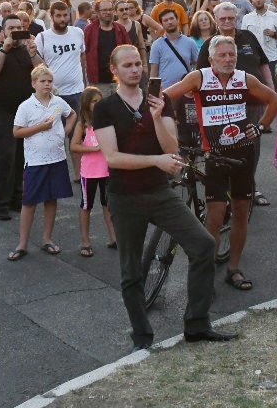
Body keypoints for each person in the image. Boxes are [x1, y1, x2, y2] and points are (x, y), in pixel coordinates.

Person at [94, 45, 235, 350]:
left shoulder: (160, 101)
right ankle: (142, 337)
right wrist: (154, 161)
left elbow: (172, 147)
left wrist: (158, 117)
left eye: (138, 65)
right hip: (125, 197)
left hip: (159, 192)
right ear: (114, 70)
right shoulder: (104, 108)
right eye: (128, 66)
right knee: (131, 271)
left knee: (203, 245)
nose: (135, 70)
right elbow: (112, 158)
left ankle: (197, 325)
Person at [165, 35, 277, 293]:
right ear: (211, 59)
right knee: (215, 217)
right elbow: (165, 97)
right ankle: (206, 275)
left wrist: (260, 127)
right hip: (214, 156)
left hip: (243, 153)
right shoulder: (200, 78)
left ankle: (234, 268)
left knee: (241, 212)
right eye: (223, 56)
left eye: (232, 55)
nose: (228, 60)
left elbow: (276, 100)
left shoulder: (245, 79)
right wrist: (168, 129)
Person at [9, 64, 74, 260]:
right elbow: (17, 132)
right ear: (33, 84)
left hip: (57, 158)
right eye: (42, 81)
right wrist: (38, 128)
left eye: (49, 81)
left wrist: (66, 131)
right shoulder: (26, 106)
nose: (46, 84)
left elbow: (72, 114)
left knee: (51, 198)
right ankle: (22, 243)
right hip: (36, 161)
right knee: (29, 201)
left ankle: (47, 239)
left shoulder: (58, 102)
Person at [0, 15, 41, 219]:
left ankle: (18, 198)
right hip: (1, 112)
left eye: (19, 27)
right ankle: (1, 203)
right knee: (6, 156)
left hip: (26, 112)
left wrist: (33, 53)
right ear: (4, 30)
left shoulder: (27, 50)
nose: (16, 31)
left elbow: (42, 72)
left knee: (22, 157)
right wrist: (4, 48)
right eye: (11, 28)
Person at [70, 87, 115, 257]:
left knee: (108, 204)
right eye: (94, 101)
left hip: (107, 170)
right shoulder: (83, 124)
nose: (98, 103)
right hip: (89, 172)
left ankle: (113, 237)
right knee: (86, 205)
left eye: (100, 100)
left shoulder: (107, 121)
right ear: (87, 104)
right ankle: (85, 241)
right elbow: (73, 146)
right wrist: (94, 148)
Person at [35, 0, 87, 114]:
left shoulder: (78, 32)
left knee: (78, 129)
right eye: (58, 16)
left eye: (65, 15)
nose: (62, 19)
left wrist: (84, 81)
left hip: (77, 92)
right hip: (54, 94)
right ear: (51, 16)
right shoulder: (42, 37)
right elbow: (37, 66)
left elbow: (82, 56)